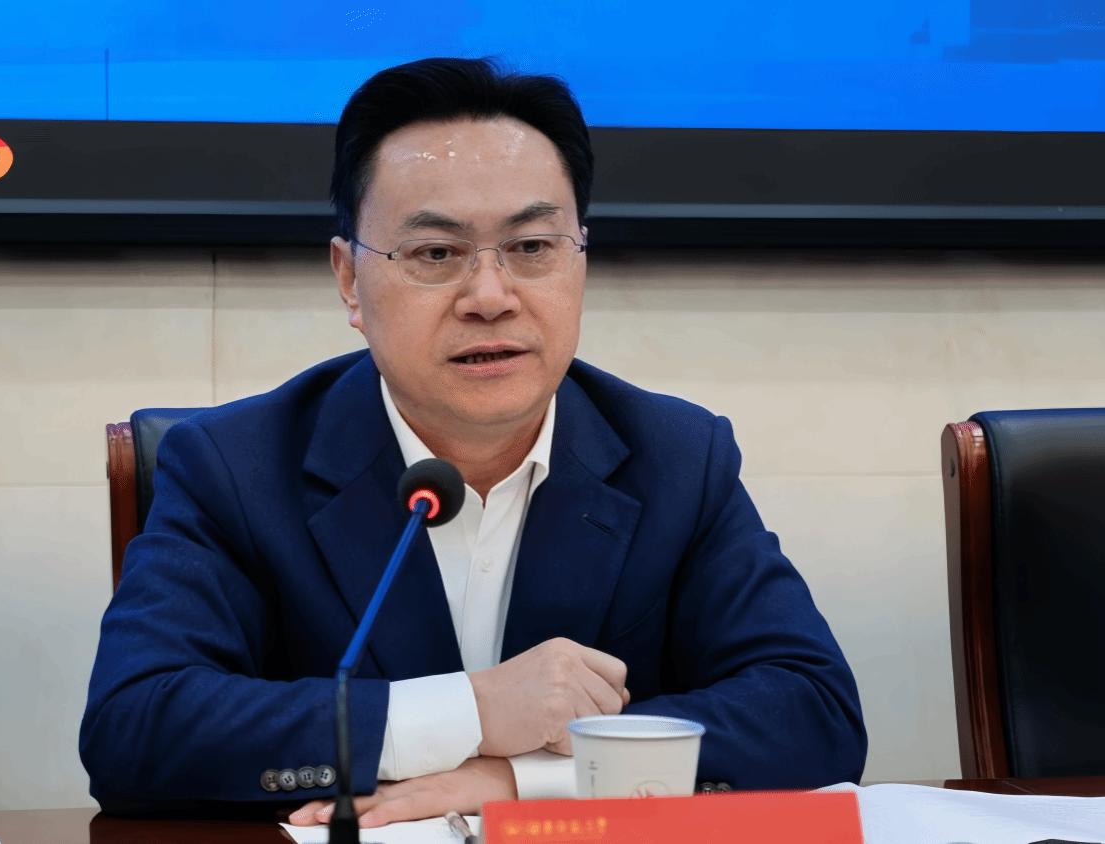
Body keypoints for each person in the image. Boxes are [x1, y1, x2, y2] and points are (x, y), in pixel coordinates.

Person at [79, 57, 867, 826]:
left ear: (580, 258)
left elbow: (814, 713)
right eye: (436, 253)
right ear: (350, 280)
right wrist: (470, 712)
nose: (490, 297)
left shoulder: (678, 458)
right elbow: (134, 729)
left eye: (532, 248)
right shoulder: (234, 466)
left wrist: (516, 780)